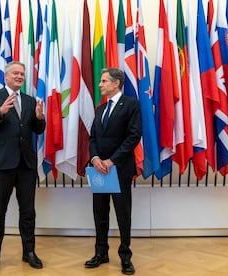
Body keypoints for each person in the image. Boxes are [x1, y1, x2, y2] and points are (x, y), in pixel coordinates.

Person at [0, 61, 45, 273]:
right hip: (1, 165)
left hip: (25, 165)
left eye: (22, 74)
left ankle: (29, 252)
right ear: (6, 76)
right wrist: (0, 112)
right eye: (15, 73)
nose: (19, 77)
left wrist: (40, 118)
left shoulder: (29, 99)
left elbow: (37, 129)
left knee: (28, 212)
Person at [85, 68, 142, 275]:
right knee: (100, 213)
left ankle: (125, 256)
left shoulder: (131, 105)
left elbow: (133, 136)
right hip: (99, 170)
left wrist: (112, 160)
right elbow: (92, 138)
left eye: (103, 81)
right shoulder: (100, 109)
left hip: (120, 169)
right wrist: (95, 158)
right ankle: (101, 253)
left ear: (116, 83)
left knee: (122, 214)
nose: (100, 85)